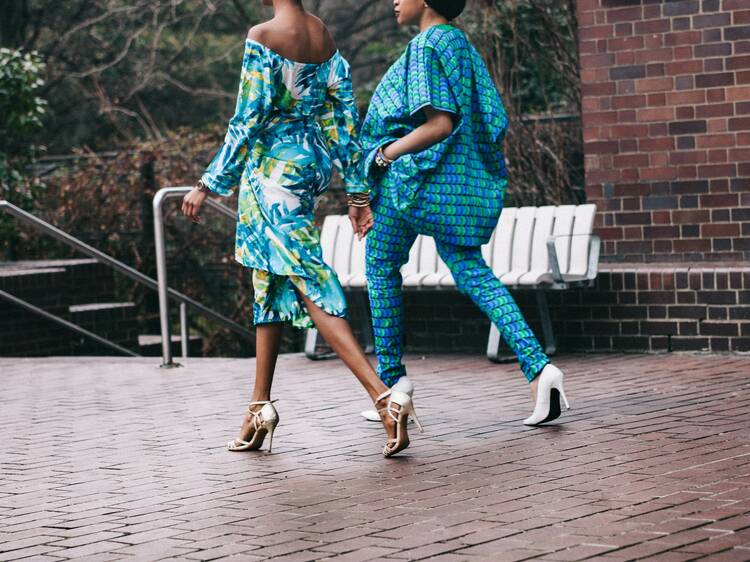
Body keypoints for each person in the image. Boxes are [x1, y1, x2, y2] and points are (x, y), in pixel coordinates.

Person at [181, 0, 421, 457]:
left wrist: (207, 183)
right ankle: (258, 407)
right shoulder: (322, 35)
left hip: (272, 172)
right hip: (309, 167)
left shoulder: (263, 35)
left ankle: (384, 397)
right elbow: (344, 118)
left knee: (308, 277)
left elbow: (247, 117)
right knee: (269, 280)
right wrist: (356, 192)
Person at [352, 0, 570, 426]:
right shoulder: (461, 45)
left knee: (379, 267)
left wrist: (382, 157)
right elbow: (487, 119)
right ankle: (540, 369)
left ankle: (393, 385)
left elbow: (440, 124)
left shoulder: (426, 44)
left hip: (411, 181)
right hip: (449, 183)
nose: (394, 0)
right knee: (472, 270)